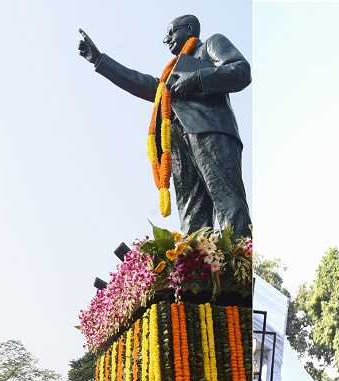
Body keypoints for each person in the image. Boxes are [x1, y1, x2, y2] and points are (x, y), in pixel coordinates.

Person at [77, 15, 251, 237]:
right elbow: (147, 85)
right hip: (178, 143)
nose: (165, 39)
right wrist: (100, 61)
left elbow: (240, 70)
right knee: (191, 214)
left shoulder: (211, 45)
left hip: (209, 131)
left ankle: (240, 259)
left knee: (227, 200)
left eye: (171, 32)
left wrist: (197, 79)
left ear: (189, 28)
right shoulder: (171, 72)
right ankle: (194, 266)